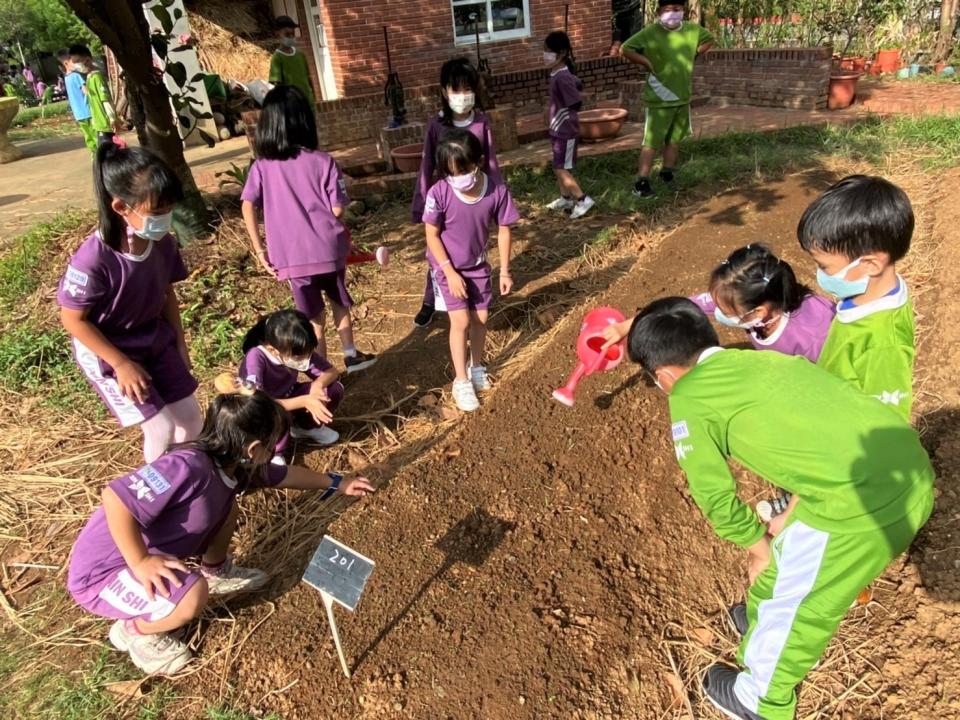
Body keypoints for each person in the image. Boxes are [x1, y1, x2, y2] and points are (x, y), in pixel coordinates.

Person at [625, 297, 933, 720]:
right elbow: (825, 440)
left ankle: (760, 701)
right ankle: (759, 622)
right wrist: (781, 526)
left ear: (663, 375)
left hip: (863, 504)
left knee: (801, 605)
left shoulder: (690, 396)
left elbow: (714, 494)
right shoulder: (761, 361)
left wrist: (755, 544)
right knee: (783, 559)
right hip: (902, 468)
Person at [66, 390, 376, 675]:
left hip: (146, 555)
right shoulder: (184, 466)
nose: (275, 451)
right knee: (192, 595)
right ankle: (135, 631)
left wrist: (336, 482)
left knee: (227, 507)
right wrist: (140, 561)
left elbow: (282, 475)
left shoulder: (233, 465)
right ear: (253, 449)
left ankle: (216, 570)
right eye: (273, 445)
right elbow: (116, 499)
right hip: (103, 573)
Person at [58, 144, 202, 463]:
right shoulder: (94, 259)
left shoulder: (163, 243)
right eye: (157, 210)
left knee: (191, 419)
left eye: (169, 208)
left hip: (153, 339)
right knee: (161, 428)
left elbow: (167, 293)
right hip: (110, 351)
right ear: (122, 207)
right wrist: (121, 364)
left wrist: (180, 344)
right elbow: (73, 320)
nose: (166, 218)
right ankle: (160, 494)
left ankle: (182, 476)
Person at [241, 85, 376, 373]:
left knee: (313, 318)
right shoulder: (323, 161)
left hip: (290, 258)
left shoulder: (261, 167)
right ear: (304, 121)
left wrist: (259, 248)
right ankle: (351, 354)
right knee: (339, 302)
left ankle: (324, 370)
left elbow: (247, 205)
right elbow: (337, 209)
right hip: (328, 250)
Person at [798, 175, 915, 420]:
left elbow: (885, 424)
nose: (819, 274)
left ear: (871, 265)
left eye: (824, 266)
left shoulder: (883, 343)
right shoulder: (868, 295)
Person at [423, 129, 519, 412]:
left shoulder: (496, 191)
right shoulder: (439, 192)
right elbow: (431, 235)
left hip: (477, 266)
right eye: (450, 173)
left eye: (463, 170)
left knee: (481, 318)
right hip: (446, 267)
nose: (458, 178)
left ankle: (476, 366)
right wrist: (449, 272)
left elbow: (504, 230)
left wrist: (505, 270)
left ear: (477, 162)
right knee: (461, 322)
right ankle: (461, 380)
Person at [410, 58, 503, 329]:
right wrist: (422, 202)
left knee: (471, 249)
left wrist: (496, 197)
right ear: (443, 91)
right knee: (438, 250)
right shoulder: (437, 126)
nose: (461, 96)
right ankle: (431, 300)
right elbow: (427, 165)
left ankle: (476, 295)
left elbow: (491, 162)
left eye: (467, 89)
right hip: (444, 202)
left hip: (472, 199)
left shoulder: (481, 123)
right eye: (455, 90)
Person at [620, 0, 714, 199]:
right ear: (659, 11)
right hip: (659, 98)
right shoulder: (650, 33)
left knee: (674, 140)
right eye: (668, 10)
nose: (673, 13)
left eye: (677, 9)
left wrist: (695, 53)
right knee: (652, 142)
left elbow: (709, 38)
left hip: (682, 97)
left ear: (684, 11)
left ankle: (667, 173)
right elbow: (626, 48)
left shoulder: (692, 30)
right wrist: (645, 61)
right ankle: (641, 183)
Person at [239, 309, 344, 454]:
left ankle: (306, 428)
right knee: (277, 415)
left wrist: (317, 386)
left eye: (308, 353)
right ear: (273, 350)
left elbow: (331, 372)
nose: (305, 359)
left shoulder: (296, 349)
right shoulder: (256, 358)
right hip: (266, 407)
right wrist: (304, 401)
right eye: (299, 357)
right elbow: (256, 402)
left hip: (290, 396)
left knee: (333, 389)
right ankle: (274, 450)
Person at [543, 31, 594, 220]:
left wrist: (561, 113)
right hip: (558, 130)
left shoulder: (562, 76)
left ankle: (582, 199)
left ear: (562, 53)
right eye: (545, 51)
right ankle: (566, 198)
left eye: (548, 51)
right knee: (559, 166)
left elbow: (575, 101)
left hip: (565, 131)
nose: (545, 55)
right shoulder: (557, 73)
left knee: (560, 168)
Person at [70, 44, 121, 147]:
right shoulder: (89, 78)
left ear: (87, 60)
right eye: (73, 62)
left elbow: (105, 100)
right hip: (98, 124)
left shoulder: (96, 77)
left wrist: (112, 118)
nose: (75, 66)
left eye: (77, 62)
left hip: (105, 123)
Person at [268, 15, 317, 107]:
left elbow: (308, 78)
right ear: (277, 34)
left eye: (292, 34)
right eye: (287, 34)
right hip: (292, 105)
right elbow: (277, 84)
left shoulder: (300, 54)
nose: (291, 37)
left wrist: (314, 98)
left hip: (308, 101)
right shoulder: (277, 57)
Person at [60, 47, 96, 154]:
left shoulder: (66, 78)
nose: (77, 63)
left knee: (88, 137)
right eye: (74, 61)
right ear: (66, 63)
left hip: (78, 114)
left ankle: (94, 156)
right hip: (88, 111)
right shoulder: (76, 76)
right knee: (96, 136)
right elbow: (86, 91)